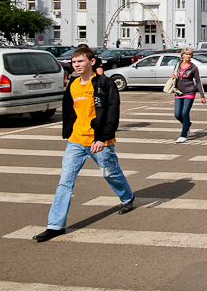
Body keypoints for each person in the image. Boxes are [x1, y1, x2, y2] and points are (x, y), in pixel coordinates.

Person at [32, 47, 134, 242]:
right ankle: (55, 225)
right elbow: (70, 112)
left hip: (99, 141)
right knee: (65, 182)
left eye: (80, 61)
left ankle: (127, 197)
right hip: (76, 141)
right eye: (74, 62)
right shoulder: (73, 85)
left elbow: (112, 112)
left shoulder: (105, 84)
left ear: (92, 62)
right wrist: (69, 133)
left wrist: (102, 138)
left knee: (110, 173)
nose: (76, 65)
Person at [172, 47, 206, 142]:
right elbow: (175, 76)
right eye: (186, 54)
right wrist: (173, 76)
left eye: (190, 55)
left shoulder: (193, 67)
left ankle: (183, 135)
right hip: (178, 91)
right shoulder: (178, 65)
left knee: (185, 112)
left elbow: (198, 82)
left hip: (190, 91)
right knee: (177, 114)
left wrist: (202, 96)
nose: (188, 56)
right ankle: (187, 124)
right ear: (182, 55)